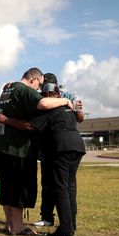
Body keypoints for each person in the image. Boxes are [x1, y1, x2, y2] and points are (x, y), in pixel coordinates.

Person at [0, 82, 85, 236]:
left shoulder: (48, 109)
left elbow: (29, 126)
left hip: (60, 148)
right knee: (70, 187)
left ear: (47, 96)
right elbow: (80, 117)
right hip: (77, 146)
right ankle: (71, 225)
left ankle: (65, 229)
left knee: (60, 188)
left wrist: (6, 119)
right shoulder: (68, 106)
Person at [34, 73, 84, 227]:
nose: (44, 91)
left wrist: (78, 108)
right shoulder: (40, 96)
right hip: (49, 145)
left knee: (62, 186)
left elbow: (80, 117)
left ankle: (67, 225)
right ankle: (49, 217)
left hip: (58, 145)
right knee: (50, 184)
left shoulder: (66, 95)